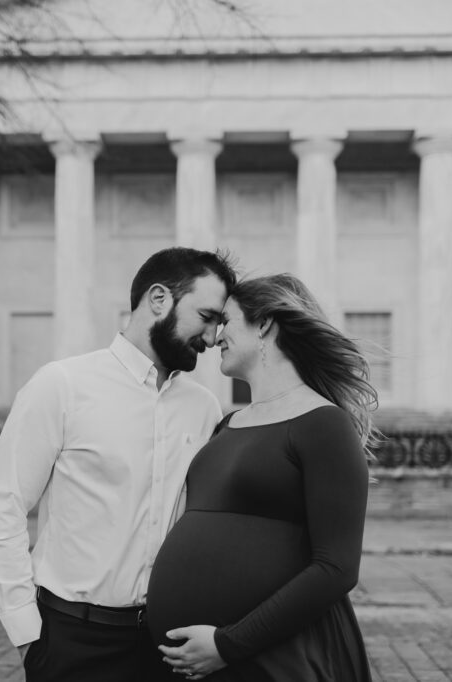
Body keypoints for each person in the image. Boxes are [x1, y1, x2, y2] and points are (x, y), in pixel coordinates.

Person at [0, 247, 238, 682]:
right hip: (72, 642)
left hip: (167, 643)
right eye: (206, 317)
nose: (212, 339)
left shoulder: (204, 407)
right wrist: (28, 637)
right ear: (159, 299)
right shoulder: (62, 386)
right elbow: (1, 506)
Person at [148, 273, 377, 681]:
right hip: (197, 664)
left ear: (265, 324)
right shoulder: (228, 424)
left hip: (276, 658)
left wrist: (228, 644)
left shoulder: (324, 425)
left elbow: (337, 567)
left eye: (227, 321)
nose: (215, 337)